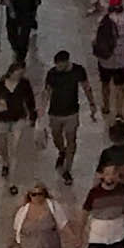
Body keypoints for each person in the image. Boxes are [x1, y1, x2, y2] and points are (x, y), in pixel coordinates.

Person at [0, 62, 38, 187]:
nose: (19, 76)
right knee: (2, 144)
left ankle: (14, 168)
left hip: (18, 117)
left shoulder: (24, 84)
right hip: (2, 118)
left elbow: (30, 100)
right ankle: (5, 163)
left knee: (16, 144)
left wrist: (32, 116)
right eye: (18, 73)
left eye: (21, 73)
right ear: (11, 72)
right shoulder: (1, 85)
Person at [43, 50, 88, 178]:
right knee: (56, 136)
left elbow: (86, 86)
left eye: (60, 65)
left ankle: (68, 168)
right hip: (55, 112)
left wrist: (92, 104)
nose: (58, 68)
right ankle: (62, 151)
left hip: (71, 112)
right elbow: (47, 91)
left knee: (71, 139)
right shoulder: (52, 74)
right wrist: (42, 108)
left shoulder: (78, 71)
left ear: (66, 62)